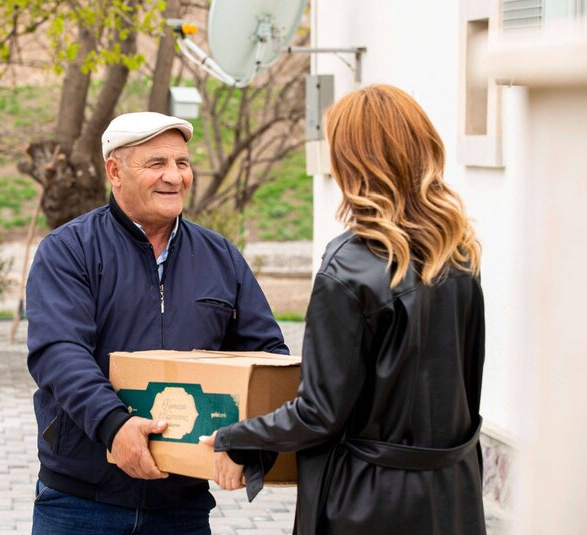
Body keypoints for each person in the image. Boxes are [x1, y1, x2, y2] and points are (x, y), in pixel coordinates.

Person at [201, 85, 486, 535]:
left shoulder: (350, 268)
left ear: (352, 163)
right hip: (453, 493)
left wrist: (235, 438)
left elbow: (319, 414)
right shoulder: (458, 254)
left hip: (369, 504)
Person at [25, 111, 289, 534]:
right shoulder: (68, 250)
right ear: (115, 171)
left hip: (181, 507)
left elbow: (268, 358)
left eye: (182, 163)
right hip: (80, 503)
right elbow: (59, 352)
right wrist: (115, 425)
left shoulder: (220, 257)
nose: (175, 176)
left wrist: (250, 439)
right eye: (157, 164)